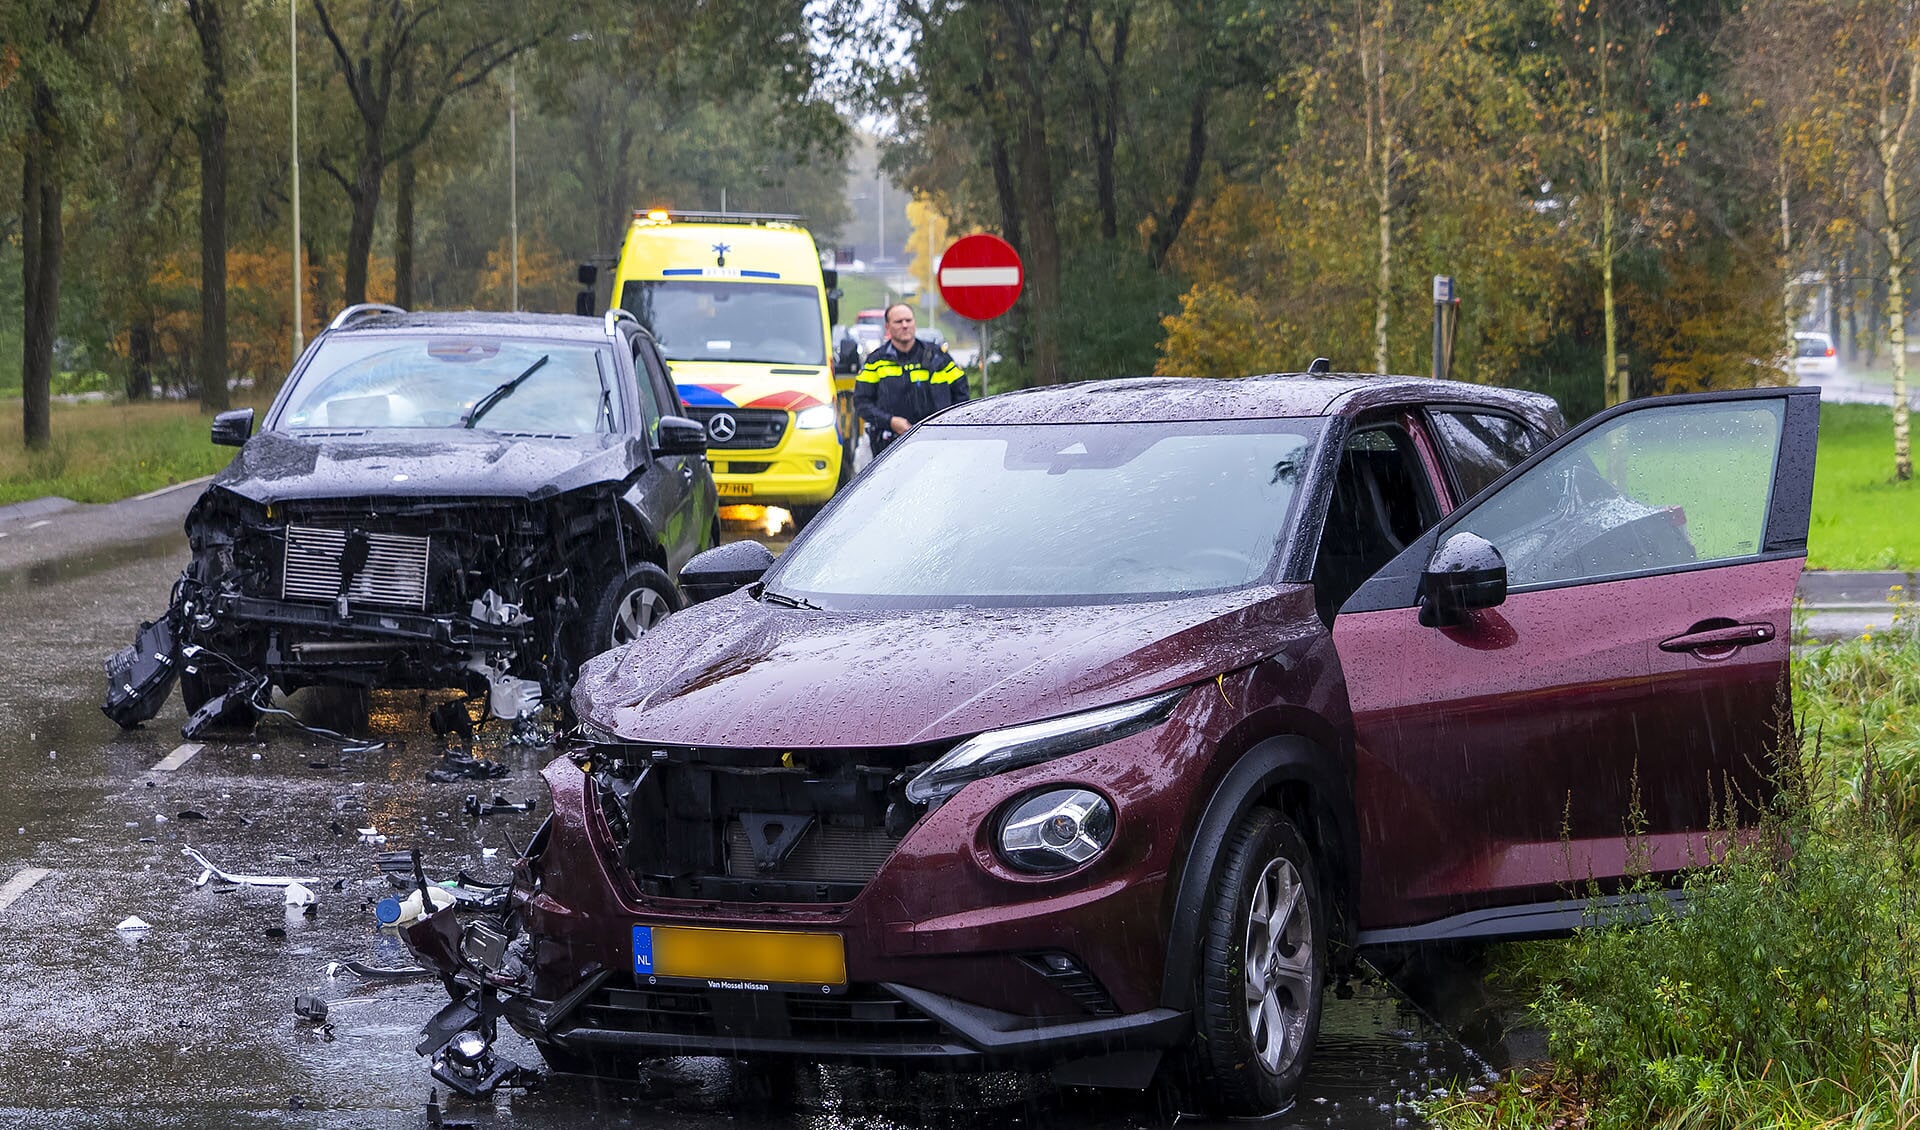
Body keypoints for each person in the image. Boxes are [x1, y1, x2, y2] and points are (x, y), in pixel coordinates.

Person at [853, 303, 968, 456]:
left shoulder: (938, 357)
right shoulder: (876, 362)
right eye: (899, 322)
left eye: (909, 320)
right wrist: (890, 422)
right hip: (891, 448)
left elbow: (962, 395)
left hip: (938, 445)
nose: (905, 325)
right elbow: (862, 403)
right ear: (887, 327)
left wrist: (947, 424)